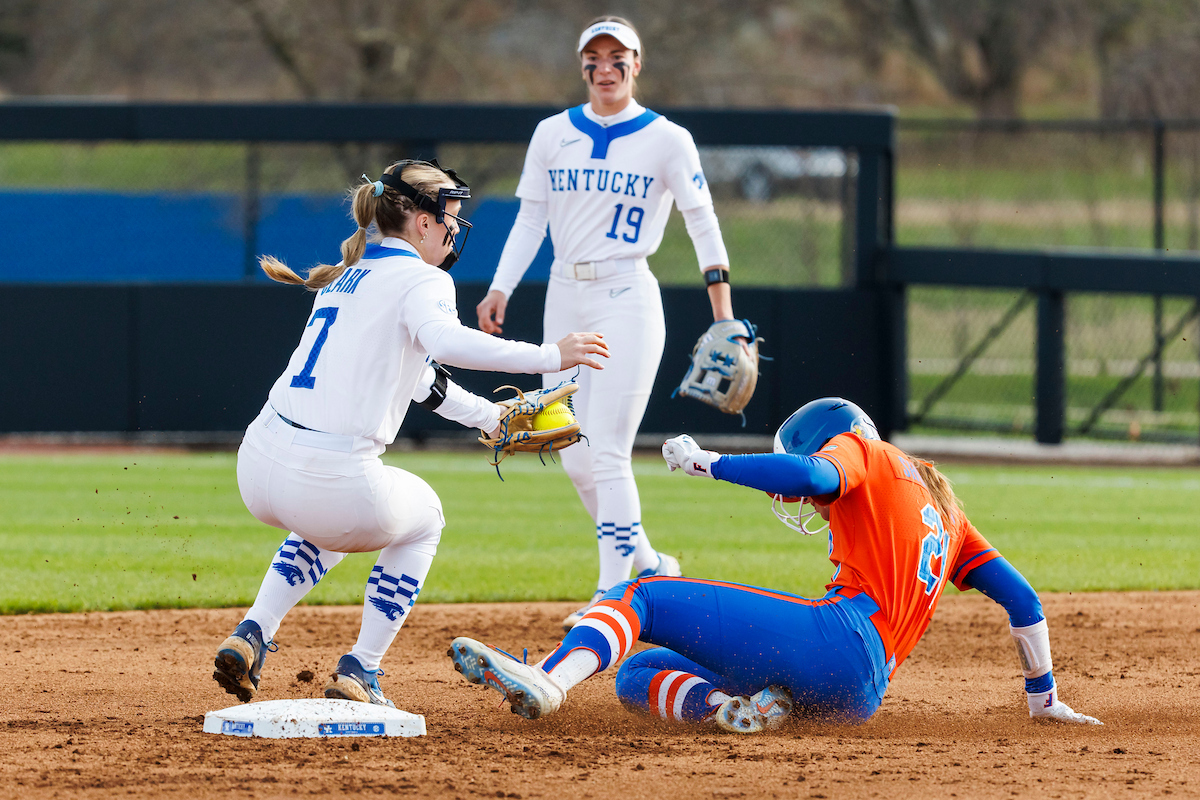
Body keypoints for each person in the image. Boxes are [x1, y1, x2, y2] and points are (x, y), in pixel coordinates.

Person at [448, 397, 1102, 731]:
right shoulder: (947, 512)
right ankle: (736, 710)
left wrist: (709, 462)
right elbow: (1023, 601)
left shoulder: (867, 453)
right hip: (857, 699)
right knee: (638, 676)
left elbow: (812, 471)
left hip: (839, 639)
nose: (795, 501)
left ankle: (551, 682)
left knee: (642, 592)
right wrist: (1043, 701)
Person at [211, 159, 609, 707]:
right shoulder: (424, 278)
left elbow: (422, 379)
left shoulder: (347, 275)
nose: (454, 228)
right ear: (422, 223)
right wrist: (549, 356)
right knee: (424, 520)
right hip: (328, 481)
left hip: (257, 467)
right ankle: (361, 669)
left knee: (329, 519)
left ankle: (252, 633)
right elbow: (445, 343)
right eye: (450, 216)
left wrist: (489, 417)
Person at [475, 16, 743, 630]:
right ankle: (648, 561)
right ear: (582, 65)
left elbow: (703, 223)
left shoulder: (668, 139)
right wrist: (500, 287)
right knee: (570, 450)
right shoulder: (551, 133)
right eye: (594, 56)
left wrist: (723, 312)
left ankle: (611, 591)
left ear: (636, 64)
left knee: (608, 451)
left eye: (617, 56)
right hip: (564, 292)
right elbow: (530, 221)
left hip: (626, 290)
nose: (605, 66)